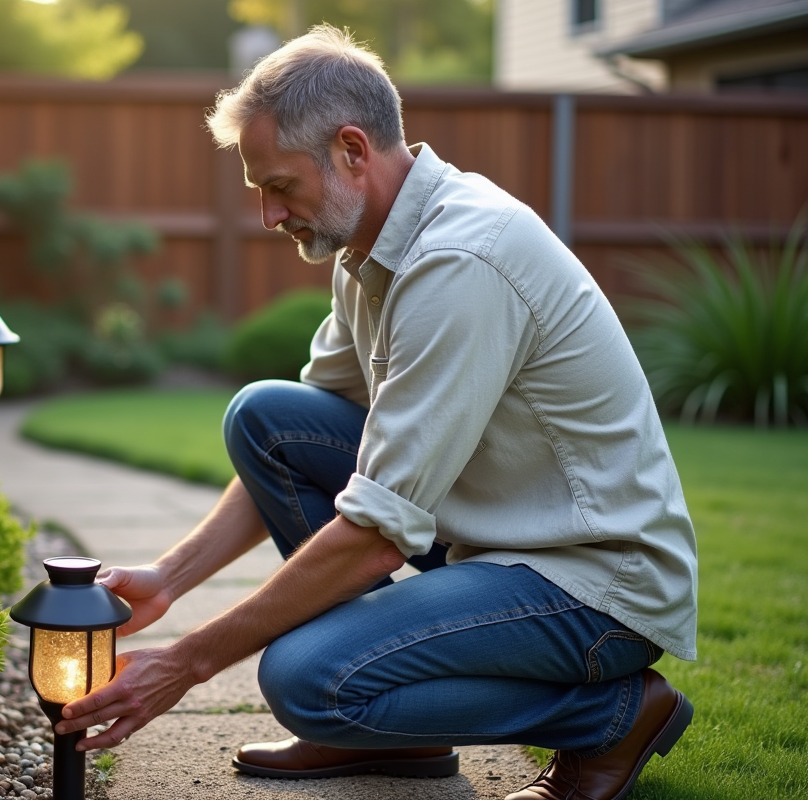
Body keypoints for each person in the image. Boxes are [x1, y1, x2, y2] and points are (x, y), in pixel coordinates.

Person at [54, 25, 698, 800]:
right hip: (491, 543)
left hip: (592, 585)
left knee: (305, 679)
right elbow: (303, 437)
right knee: (265, 417)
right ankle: (393, 733)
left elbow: (374, 537)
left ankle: (614, 715)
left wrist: (187, 662)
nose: (267, 213)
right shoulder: (368, 249)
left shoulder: (460, 262)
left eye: (280, 185)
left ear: (352, 151)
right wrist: (171, 576)